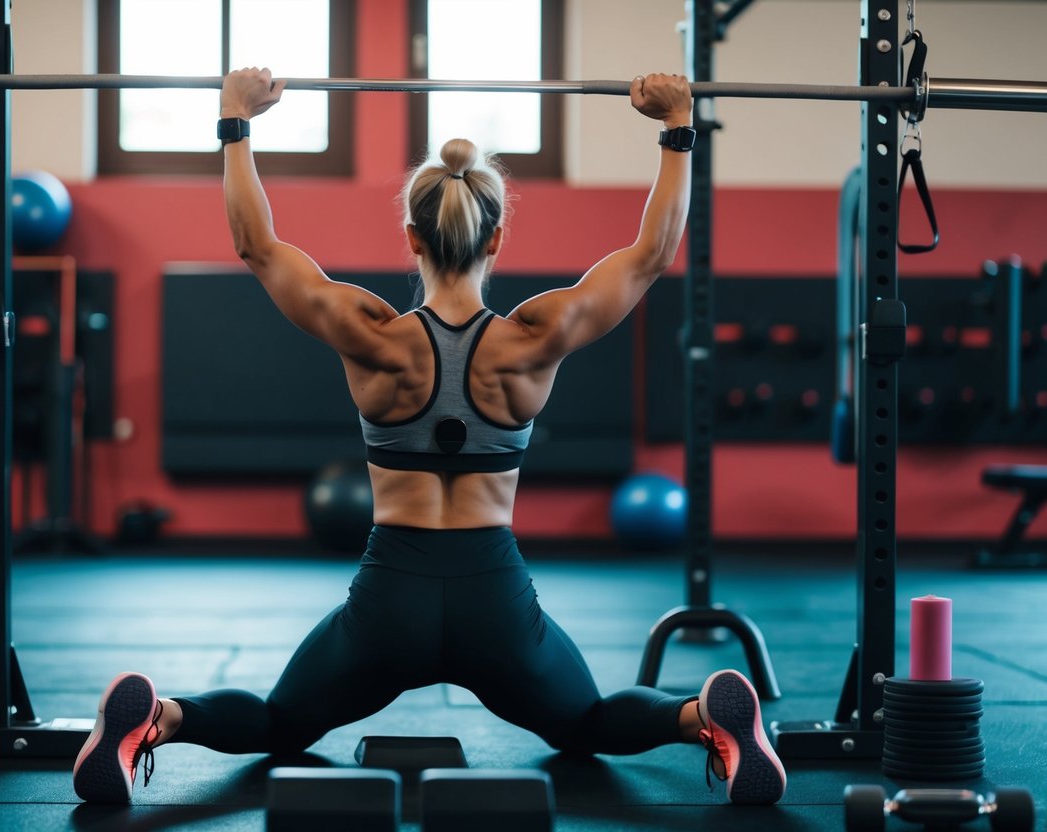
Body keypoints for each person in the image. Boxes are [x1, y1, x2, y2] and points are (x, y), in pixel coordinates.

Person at [72, 67, 786, 808]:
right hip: (494, 598)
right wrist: (677, 127)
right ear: (498, 236)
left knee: (282, 723)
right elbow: (649, 256)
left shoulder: (371, 334)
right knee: (586, 723)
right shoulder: (535, 337)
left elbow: (257, 247)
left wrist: (235, 117)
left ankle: (158, 718)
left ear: (410, 234)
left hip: (391, 596)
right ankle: (702, 717)